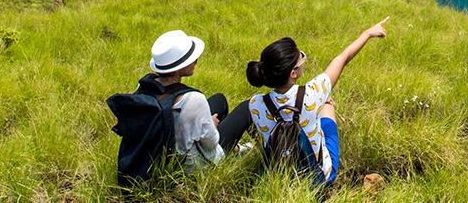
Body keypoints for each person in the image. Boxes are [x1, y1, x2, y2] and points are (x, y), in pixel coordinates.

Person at [245, 18, 389, 185]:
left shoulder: (255, 103)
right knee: (327, 106)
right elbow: (343, 59)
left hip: (278, 178)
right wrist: (367, 33)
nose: (303, 60)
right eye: (302, 59)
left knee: (319, 106)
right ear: (293, 73)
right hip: (318, 179)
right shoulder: (313, 92)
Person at [108, 30, 252, 183]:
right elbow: (211, 142)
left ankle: (236, 149)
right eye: (191, 58)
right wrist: (212, 125)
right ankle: (239, 151)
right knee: (246, 107)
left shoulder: (144, 87)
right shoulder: (193, 99)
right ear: (177, 69)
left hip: (154, 157)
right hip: (188, 168)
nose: (196, 60)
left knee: (219, 100)